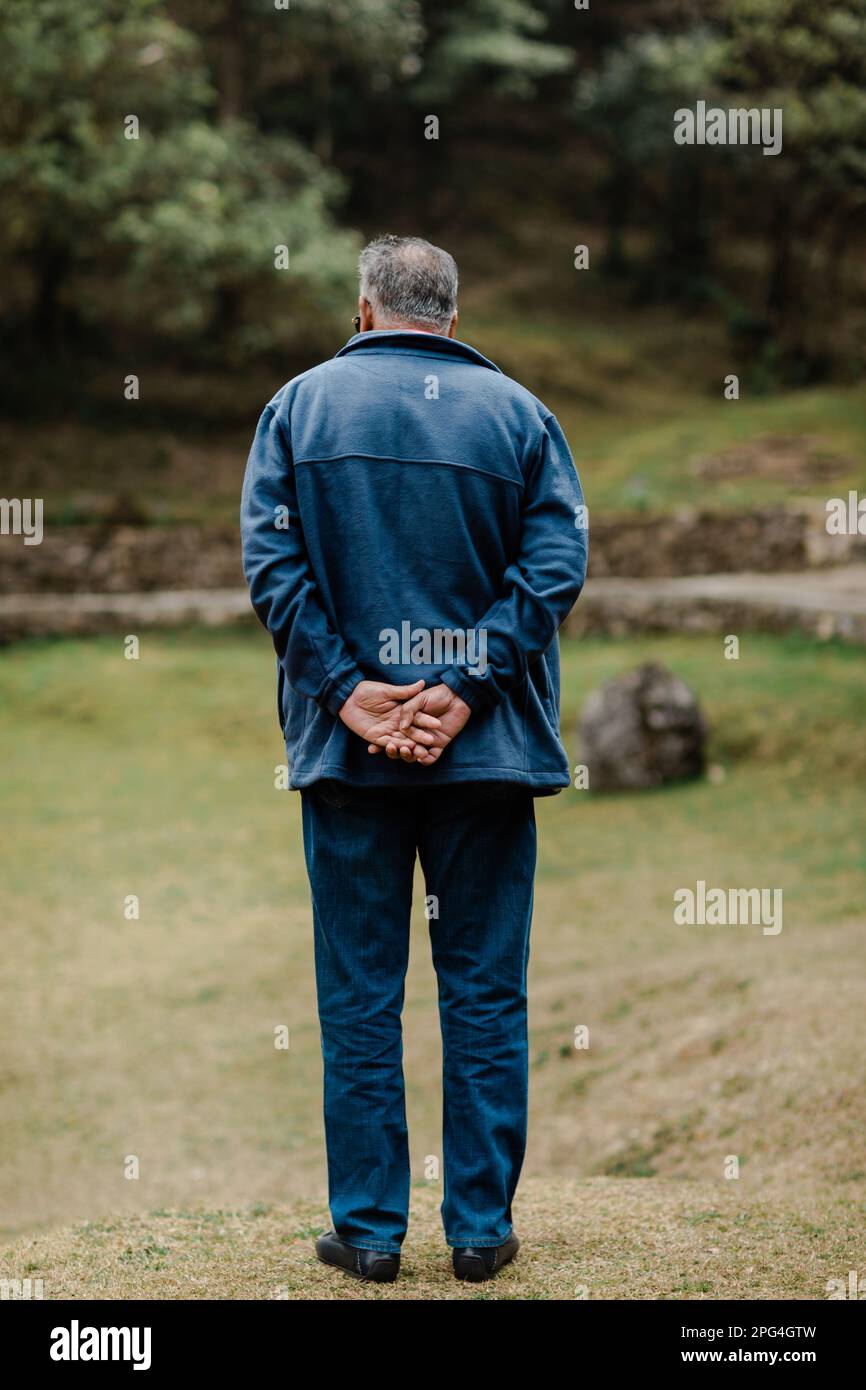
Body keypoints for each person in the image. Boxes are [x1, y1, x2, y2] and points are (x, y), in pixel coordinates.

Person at [241, 235, 587, 1283]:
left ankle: (369, 1232)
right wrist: (466, 683)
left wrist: (350, 693)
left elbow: (272, 564)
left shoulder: (296, 409)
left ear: (362, 309)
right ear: (450, 312)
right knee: (484, 992)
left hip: (348, 763)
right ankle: (479, 1231)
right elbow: (555, 561)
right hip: (484, 755)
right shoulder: (521, 416)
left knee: (357, 995)